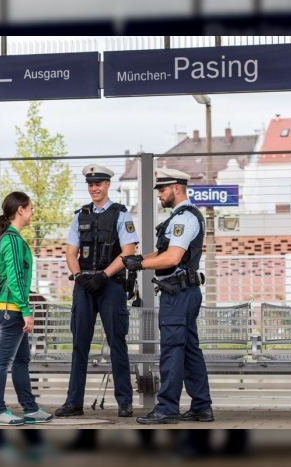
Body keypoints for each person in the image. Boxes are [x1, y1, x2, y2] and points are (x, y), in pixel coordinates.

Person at [122, 167, 214, 425]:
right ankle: (201, 407)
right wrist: (139, 258)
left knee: (173, 351)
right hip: (184, 291)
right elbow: (165, 253)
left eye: (162, 189)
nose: (159, 194)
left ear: (176, 188)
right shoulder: (181, 217)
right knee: (189, 351)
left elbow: (172, 258)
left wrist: (140, 265)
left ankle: (167, 409)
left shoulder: (184, 219)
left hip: (178, 293)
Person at [55, 164, 139, 418]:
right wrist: (79, 277)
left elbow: (129, 252)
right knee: (79, 345)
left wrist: (103, 275)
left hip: (111, 285)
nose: (94, 188)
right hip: (84, 286)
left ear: (107, 185)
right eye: (90, 185)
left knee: (117, 342)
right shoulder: (80, 215)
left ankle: (124, 402)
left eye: (98, 184)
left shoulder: (121, 214)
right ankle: (74, 403)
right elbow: (71, 252)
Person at [0, 191, 53, 426]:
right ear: (20, 210)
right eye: (31, 208)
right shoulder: (12, 240)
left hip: (10, 307)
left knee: (22, 360)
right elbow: (14, 279)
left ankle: (30, 409)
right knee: (2, 361)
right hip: (9, 309)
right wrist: (25, 310)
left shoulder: (10, 238)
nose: (33, 212)